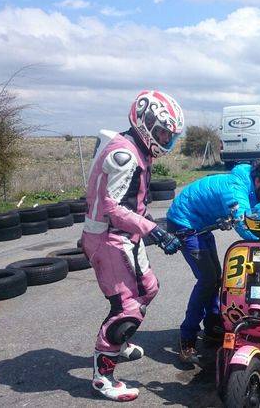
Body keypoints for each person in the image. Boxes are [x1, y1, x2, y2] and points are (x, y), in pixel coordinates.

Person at [81, 90, 184, 401]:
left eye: (170, 134)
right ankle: (103, 376)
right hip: (108, 238)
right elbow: (113, 207)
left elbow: (132, 201)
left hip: (125, 235)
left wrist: (150, 224)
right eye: (163, 132)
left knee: (149, 289)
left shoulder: (138, 148)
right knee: (126, 309)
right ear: (145, 123)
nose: (166, 139)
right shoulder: (124, 155)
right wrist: (153, 230)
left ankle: (120, 343)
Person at [166, 160, 260, 363]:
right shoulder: (235, 190)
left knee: (216, 278)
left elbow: (256, 216)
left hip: (202, 225)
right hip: (184, 223)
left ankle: (213, 325)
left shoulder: (252, 188)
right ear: (258, 181)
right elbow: (242, 223)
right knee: (207, 280)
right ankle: (187, 338)